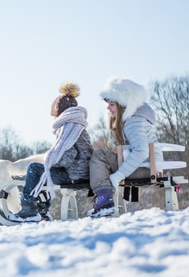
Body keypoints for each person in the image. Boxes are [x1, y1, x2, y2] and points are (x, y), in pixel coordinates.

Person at [9, 81, 93, 222]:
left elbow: (68, 156)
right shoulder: (77, 125)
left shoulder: (67, 126)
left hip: (74, 175)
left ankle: (29, 209)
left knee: (35, 169)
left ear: (59, 113)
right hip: (82, 173)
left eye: (54, 115)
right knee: (44, 170)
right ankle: (41, 210)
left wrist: (51, 159)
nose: (53, 119)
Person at [88, 77, 163, 218]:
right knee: (101, 161)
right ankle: (104, 199)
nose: (108, 108)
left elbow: (141, 151)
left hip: (145, 167)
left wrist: (118, 176)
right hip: (145, 165)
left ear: (123, 104)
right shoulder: (130, 120)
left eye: (111, 104)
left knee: (99, 156)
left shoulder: (134, 121)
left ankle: (104, 201)